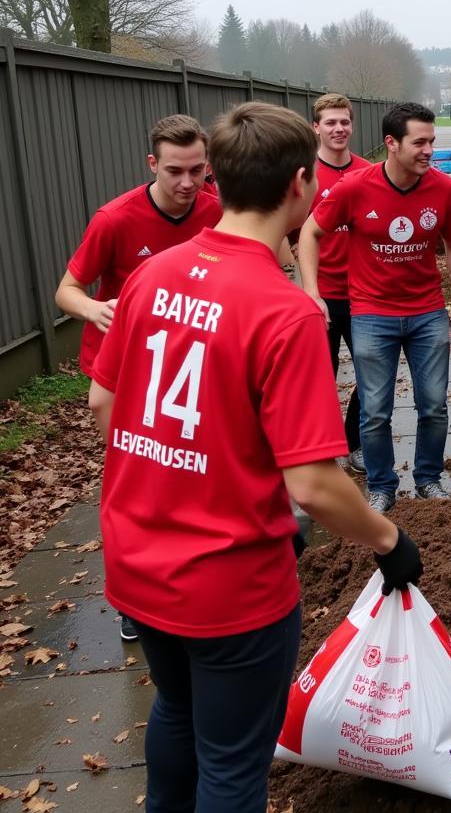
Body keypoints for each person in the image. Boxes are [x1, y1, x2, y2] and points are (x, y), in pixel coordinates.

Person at [87, 101, 423, 812]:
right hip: (229, 587)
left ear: (219, 177)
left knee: (175, 712)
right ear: (300, 185)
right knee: (235, 763)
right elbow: (312, 485)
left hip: (137, 562)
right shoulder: (287, 311)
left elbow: (102, 404)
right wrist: (389, 539)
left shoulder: (153, 275)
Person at [56, 114, 221, 643]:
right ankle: (134, 598)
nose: (188, 183)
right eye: (175, 171)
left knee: (188, 478)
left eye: (198, 170)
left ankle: (188, 579)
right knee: (134, 485)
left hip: (188, 369)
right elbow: (67, 290)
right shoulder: (115, 218)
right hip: (123, 370)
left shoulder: (215, 212)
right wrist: (94, 310)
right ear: (153, 164)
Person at [298, 102, 451, 513]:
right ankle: (381, 485)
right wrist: (311, 289)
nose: (429, 150)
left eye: (432, 141)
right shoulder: (356, 187)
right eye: (420, 142)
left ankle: (429, 479)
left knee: (433, 404)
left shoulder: (443, 189)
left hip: (428, 313)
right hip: (372, 315)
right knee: (375, 411)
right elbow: (311, 231)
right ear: (391, 143)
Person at [309, 92, 372, 472]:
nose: (338, 129)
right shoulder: (303, 175)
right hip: (322, 295)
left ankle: (356, 442)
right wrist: (306, 289)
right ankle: (318, 450)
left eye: (344, 122)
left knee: (372, 376)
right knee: (320, 377)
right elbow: (288, 232)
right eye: (330, 122)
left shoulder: (368, 172)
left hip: (366, 294)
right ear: (316, 127)